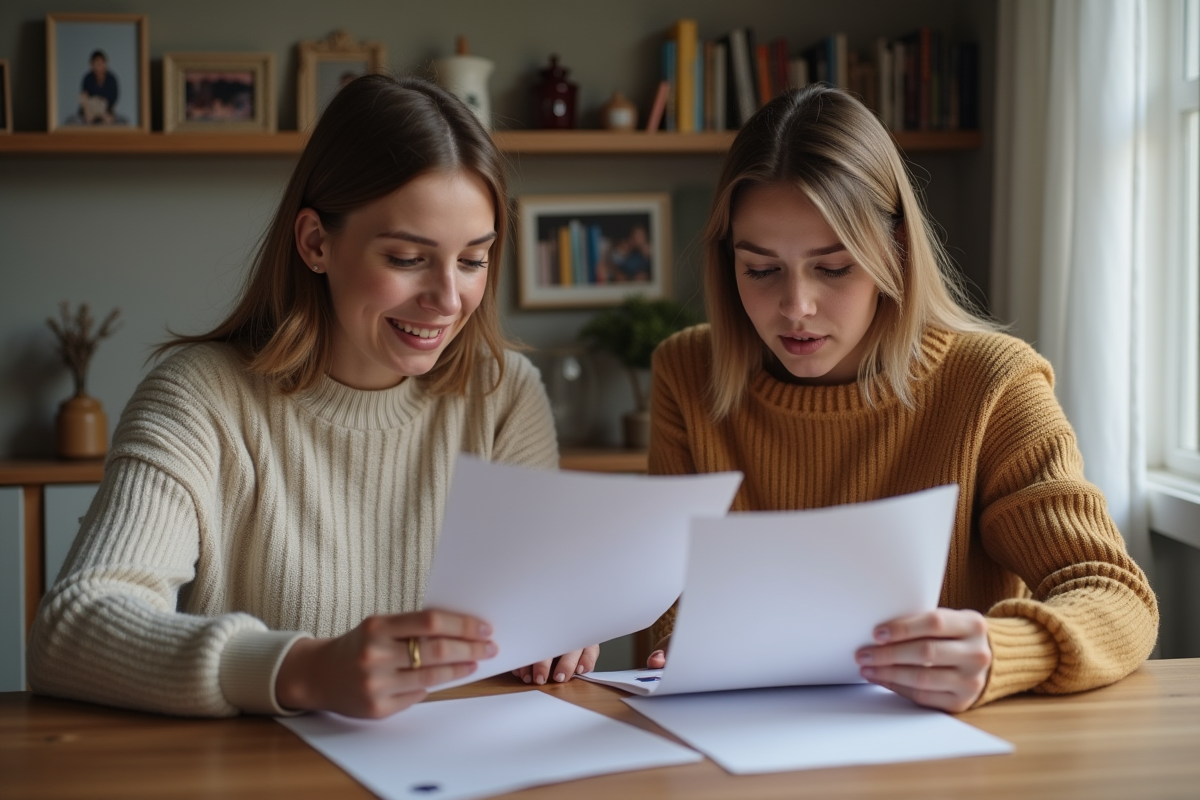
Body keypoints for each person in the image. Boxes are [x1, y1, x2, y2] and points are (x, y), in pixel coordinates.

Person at [28, 75, 598, 719]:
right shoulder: (199, 396)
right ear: (316, 243)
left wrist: (562, 629)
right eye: (409, 258)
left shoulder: (503, 393)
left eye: (473, 260)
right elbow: (71, 631)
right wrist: (300, 670)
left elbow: (540, 605)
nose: (447, 299)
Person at [644, 84, 1158, 713]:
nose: (795, 307)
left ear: (894, 252)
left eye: (833, 268)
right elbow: (665, 597)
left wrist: (1006, 649)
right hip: (733, 741)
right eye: (760, 269)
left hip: (940, 749)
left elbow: (1113, 593)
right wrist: (677, 646)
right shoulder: (686, 371)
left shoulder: (993, 384)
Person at [78, 50, 118, 124]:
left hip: (106, 111)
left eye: (101, 63)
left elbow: (113, 100)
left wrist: (103, 111)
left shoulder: (111, 79)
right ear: (92, 65)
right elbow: (84, 97)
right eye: (96, 64)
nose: (99, 66)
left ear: (105, 64)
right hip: (90, 110)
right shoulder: (88, 78)